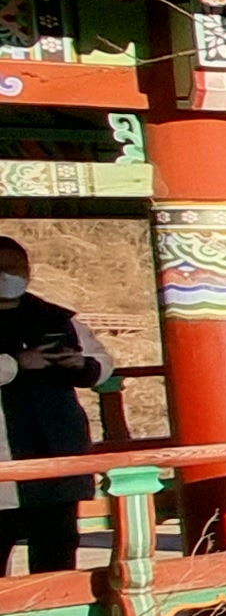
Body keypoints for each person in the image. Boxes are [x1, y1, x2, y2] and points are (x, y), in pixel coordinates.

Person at [0, 237, 109, 576]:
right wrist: (16, 363)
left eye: (15, 268)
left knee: (56, 553)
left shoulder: (55, 317)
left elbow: (101, 360)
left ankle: (54, 609)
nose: (8, 275)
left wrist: (79, 364)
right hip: (4, 458)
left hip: (57, 453)